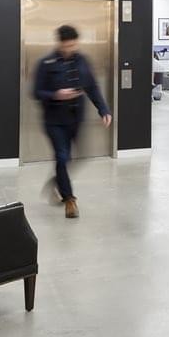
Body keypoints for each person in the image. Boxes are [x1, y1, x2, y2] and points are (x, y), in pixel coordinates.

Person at [33, 25, 111, 219]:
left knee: (81, 156)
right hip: (54, 121)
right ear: (60, 43)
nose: (71, 49)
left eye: (74, 45)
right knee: (62, 157)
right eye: (67, 45)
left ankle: (57, 182)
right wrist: (56, 94)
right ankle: (69, 200)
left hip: (76, 119)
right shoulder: (46, 63)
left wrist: (103, 109)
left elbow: (92, 87)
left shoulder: (82, 60)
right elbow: (36, 92)